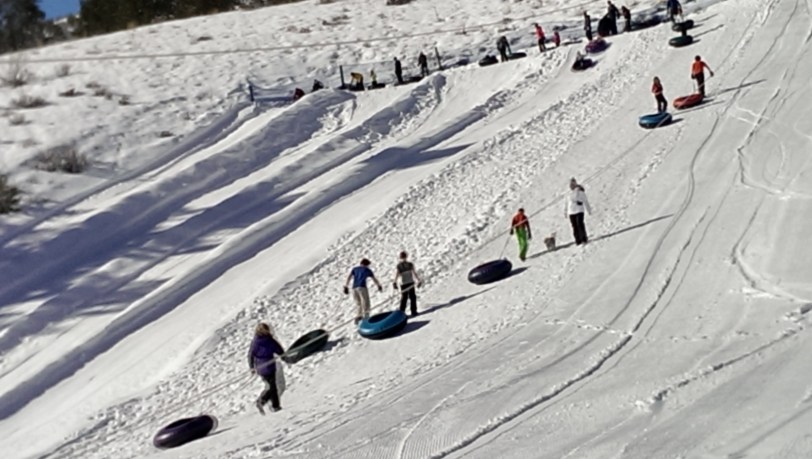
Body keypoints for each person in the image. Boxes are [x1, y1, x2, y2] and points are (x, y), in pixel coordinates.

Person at [248, 322, 285, 415]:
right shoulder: (269, 340)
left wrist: (252, 367)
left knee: (271, 386)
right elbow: (278, 349)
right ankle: (266, 402)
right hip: (269, 366)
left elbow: (250, 355)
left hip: (260, 367)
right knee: (272, 387)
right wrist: (284, 356)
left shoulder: (255, 341)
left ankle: (272, 404)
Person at [343, 258, 383, 323]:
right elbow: (374, 279)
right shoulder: (367, 270)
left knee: (358, 303)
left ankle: (358, 317)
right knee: (366, 302)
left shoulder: (355, 269)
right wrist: (379, 285)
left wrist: (346, 286)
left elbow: (349, 277)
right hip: (362, 287)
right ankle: (366, 317)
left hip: (354, 288)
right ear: (366, 264)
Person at [392, 251, 422, 317]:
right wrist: (394, 282)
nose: (403, 259)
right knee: (404, 298)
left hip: (410, 282)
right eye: (402, 257)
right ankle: (402, 312)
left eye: (404, 257)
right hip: (404, 283)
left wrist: (418, 280)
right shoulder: (400, 266)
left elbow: (414, 273)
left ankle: (413, 311)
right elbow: (397, 274)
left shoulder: (410, 264)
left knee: (412, 297)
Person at [565, 178, 592, 245]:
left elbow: (585, 201)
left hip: (579, 210)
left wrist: (589, 210)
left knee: (580, 224)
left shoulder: (580, 192)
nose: (571, 186)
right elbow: (566, 203)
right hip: (571, 212)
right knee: (574, 226)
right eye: (570, 185)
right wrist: (565, 211)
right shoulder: (568, 194)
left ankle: (584, 238)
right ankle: (578, 240)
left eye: (573, 184)